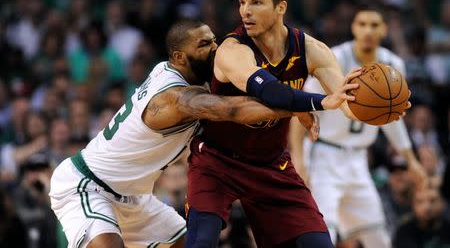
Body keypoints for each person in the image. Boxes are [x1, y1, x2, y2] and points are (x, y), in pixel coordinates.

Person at [49, 20, 315, 248]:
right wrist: (300, 104)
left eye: (213, 41)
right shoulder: (173, 98)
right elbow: (232, 110)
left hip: (133, 195)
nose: (214, 49)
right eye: (203, 45)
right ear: (179, 57)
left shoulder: (178, 74)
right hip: (87, 184)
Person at [185, 0, 366, 248]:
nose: (245, 11)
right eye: (242, 2)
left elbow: (348, 103)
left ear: (280, 7)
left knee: (318, 244)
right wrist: (317, 103)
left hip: (271, 164)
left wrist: (379, 110)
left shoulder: (311, 50)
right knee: (201, 242)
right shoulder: (232, 51)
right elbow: (270, 92)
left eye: (256, 2)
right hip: (218, 161)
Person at [290, 5, 427, 248]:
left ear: (384, 30)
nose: (368, 30)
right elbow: (302, 108)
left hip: (359, 161)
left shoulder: (393, 65)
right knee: (322, 236)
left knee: (378, 239)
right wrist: (298, 159)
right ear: (353, 28)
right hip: (324, 156)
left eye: (374, 25)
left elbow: (391, 120)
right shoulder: (334, 59)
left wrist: (411, 159)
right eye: (362, 24)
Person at [393, 183, 450, 248]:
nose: (426, 207)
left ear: (443, 203)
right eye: (419, 202)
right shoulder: (404, 233)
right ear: (412, 205)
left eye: (432, 200)